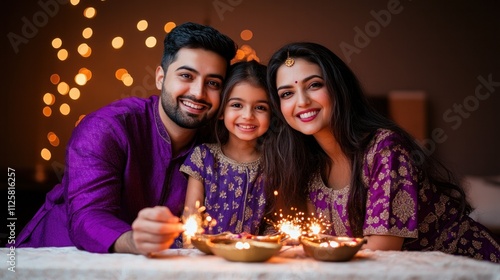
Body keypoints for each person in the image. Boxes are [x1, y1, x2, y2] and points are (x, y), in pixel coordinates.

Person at [263, 42, 500, 262]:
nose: (302, 101)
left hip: (466, 269)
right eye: (287, 94)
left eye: (314, 85)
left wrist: (299, 253)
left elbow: (381, 251)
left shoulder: (385, 149)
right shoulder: (305, 164)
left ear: (338, 87)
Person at [16, 22, 237, 255]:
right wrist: (134, 241)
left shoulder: (216, 143)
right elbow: (88, 217)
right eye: (186, 75)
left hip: (153, 268)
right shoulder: (107, 128)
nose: (198, 93)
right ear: (161, 78)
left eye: (213, 83)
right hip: (55, 259)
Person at [180, 60, 271, 236]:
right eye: (237, 105)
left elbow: (275, 224)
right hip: (203, 256)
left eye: (260, 107)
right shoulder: (203, 157)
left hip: (253, 258)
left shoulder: (273, 164)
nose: (247, 116)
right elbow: (191, 219)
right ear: (221, 111)